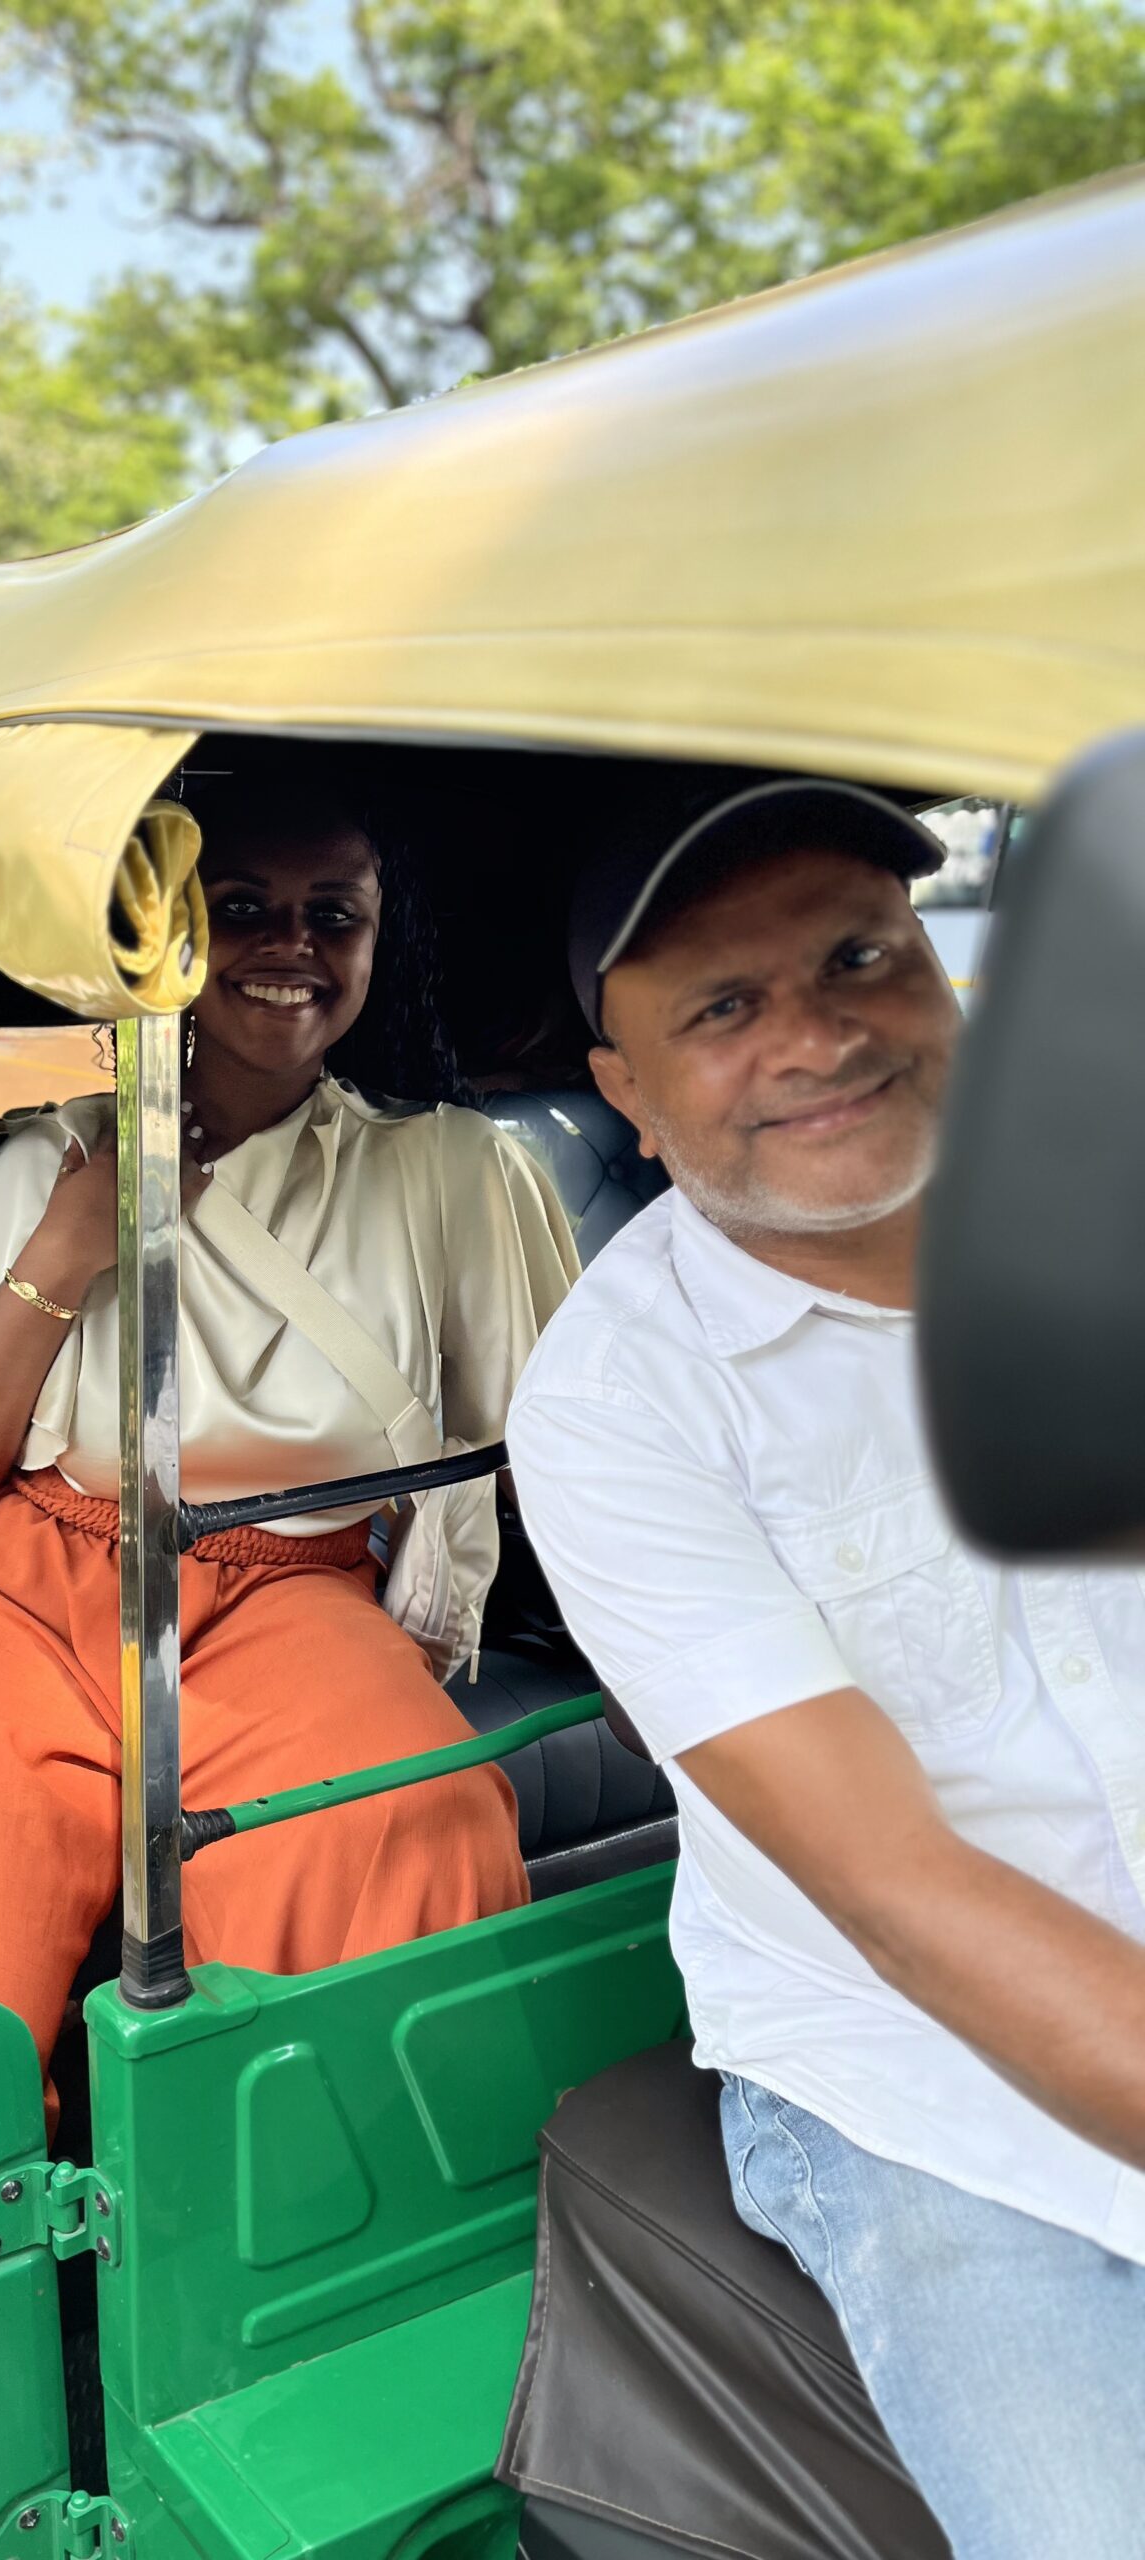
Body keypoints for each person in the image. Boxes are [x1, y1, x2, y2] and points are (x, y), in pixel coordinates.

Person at [507, 779, 1145, 2560]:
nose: (817, 1036)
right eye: (721, 1006)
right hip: (927, 2090)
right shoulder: (620, 1404)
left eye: (858, 956)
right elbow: (904, 1896)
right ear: (623, 1093)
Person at [0, 777, 579, 2101]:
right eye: (244, 910)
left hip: (285, 1586)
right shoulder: (40, 1168)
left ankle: (302, 2244)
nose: (294, 946)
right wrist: (67, 1244)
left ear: (381, 946)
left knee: (417, 1835)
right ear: (171, 942)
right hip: (7, 1581)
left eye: (336, 915)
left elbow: (575, 1448)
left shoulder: (453, 1174)